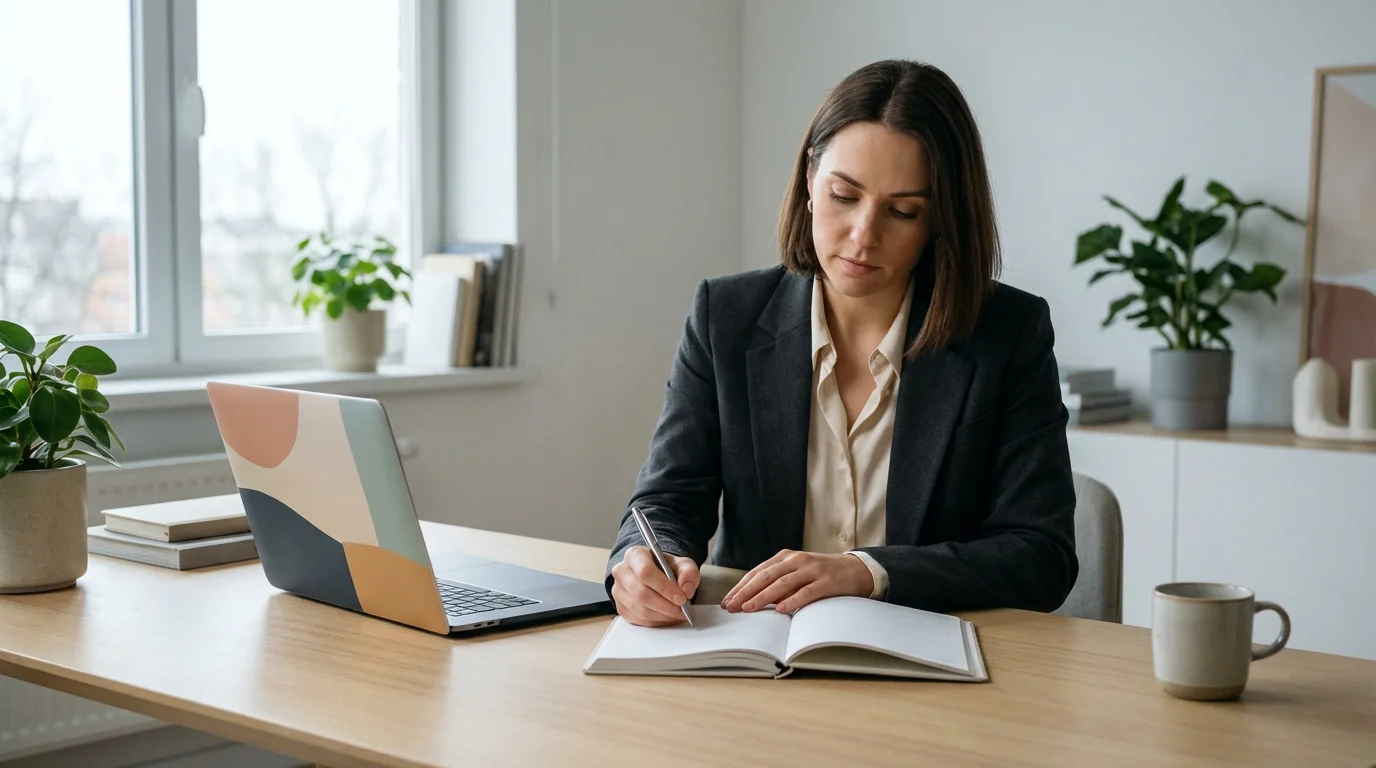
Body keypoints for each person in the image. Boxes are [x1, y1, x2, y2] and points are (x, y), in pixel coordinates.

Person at [605, 59, 1078, 627]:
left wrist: (867, 571)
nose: (863, 235)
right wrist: (642, 563)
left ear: (940, 221)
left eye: (903, 211)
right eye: (843, 195)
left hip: (932, 667)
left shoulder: (1008, 332)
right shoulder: (724, 318)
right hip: (759, 655)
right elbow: (665, 501)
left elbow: (1041, 555)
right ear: (810, 181)